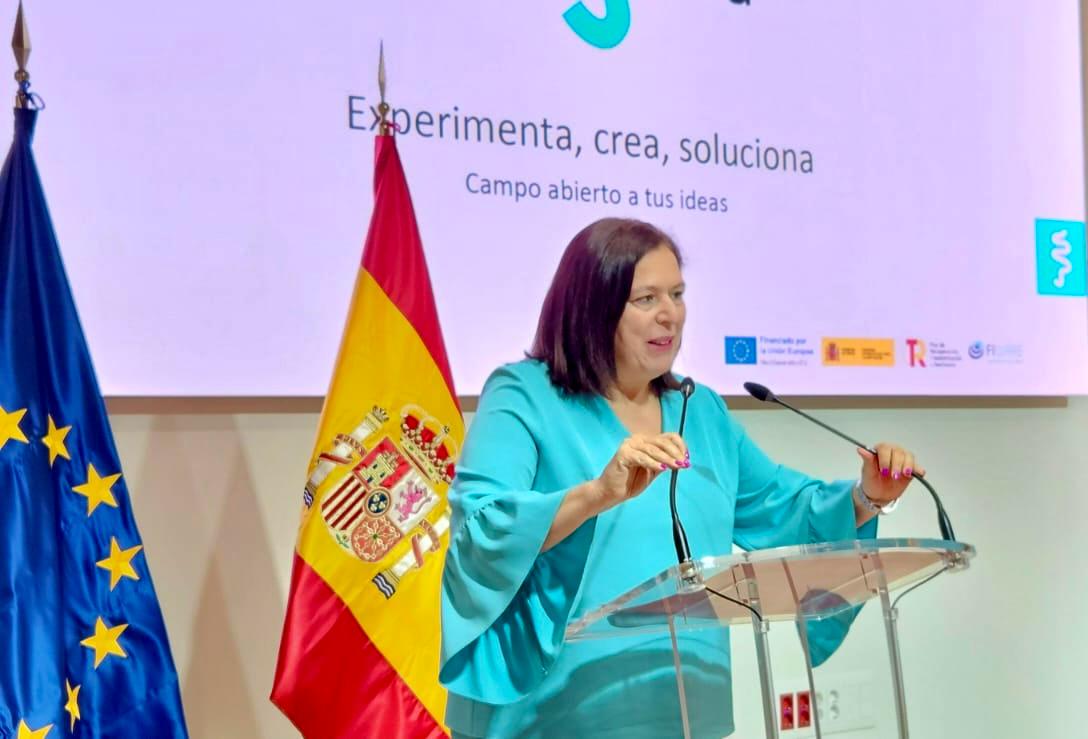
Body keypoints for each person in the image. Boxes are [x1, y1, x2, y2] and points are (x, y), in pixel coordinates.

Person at [439, 218, 921, 738]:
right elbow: (481, 530)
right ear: (591, 306)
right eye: (646, 298)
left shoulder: (700, 409)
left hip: (684, 706)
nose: (670, 313)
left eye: (677, 294)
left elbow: (784, 509)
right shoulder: (524, 395)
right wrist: (596, 494)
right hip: (553, 714)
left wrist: (868, 497)